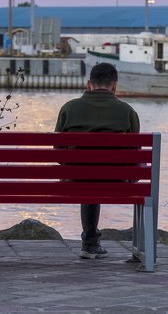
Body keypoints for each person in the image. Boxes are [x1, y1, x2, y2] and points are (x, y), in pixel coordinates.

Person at [55, 61, 140, 260]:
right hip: (117, 183)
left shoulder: (69, 108)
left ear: (88, 84)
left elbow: (58, 152)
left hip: (75, 181)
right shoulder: (127, 111)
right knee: (100, 174)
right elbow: (135, 154)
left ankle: (90, 243)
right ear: (115, 86)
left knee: (87, 177)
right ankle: (92, 243)